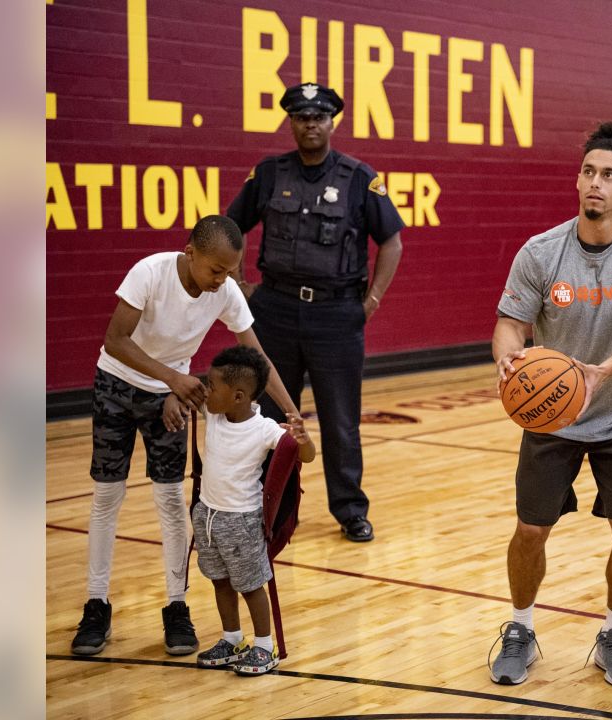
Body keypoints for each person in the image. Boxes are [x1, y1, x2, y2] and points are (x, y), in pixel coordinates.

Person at [487, 121, 612, 689]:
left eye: (609, 175)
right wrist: (508, 357)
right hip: (553, 416)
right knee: (530, 530)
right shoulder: (541, 252)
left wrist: (602, 372)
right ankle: (521, 627)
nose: (596, 183)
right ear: (578, 179)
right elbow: (510, 323)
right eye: (589, 172)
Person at [71, 216, 301, 657]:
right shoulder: (150, 272)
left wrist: (292, 412)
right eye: (216, 270)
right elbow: (116, 340)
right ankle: (96, 604)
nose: (223, 280)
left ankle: (177, 606)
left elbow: (258, 357)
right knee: (106, 497)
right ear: (190, 252)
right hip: (116, 386)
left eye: (231, 271)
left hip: (169, 399)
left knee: (172, 501)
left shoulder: (225, 290)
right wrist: (174, 378)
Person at [226, 82, 404, 543]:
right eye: (302, 116)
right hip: (275, 312)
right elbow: (232, 226)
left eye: (319, 117)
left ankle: (349, 510)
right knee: (270, 418)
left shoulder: (358, 177)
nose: (310, 124)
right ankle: (271, 509)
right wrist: (243, 285)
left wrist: (372, 302)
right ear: (291, 121)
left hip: (337, 316)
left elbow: (391, 241)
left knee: (340, 419)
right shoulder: (268, 174)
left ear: (332, 122)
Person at [191, 346, 316, 676]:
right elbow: (186, 391)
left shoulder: (263, 429)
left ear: (238, 396)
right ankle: (232, 639)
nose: (207, 390)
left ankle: (264, 646)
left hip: (242, 522)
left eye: (212, 385)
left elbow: (306, 456)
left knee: (250, 585)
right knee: (220, 581)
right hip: (207, 516)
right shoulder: (214, 412)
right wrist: (176, 396)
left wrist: (303, 438)